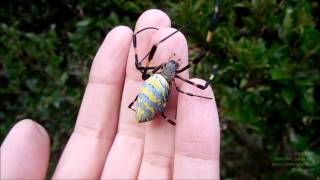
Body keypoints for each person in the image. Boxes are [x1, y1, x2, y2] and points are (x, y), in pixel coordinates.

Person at [0, 9, 220, 179]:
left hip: (147, 102)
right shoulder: (175, 80)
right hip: (151, 104)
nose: (172, 64)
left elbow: (139, 61)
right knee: (188, 93)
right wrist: (211, 74)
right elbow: (196, 86)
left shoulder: (152, 72)